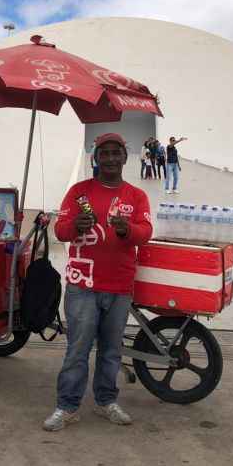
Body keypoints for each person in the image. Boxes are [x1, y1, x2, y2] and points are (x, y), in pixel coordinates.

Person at [44, 133, 153, 432]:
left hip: (119, 285)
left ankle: (106, 402)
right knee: (77, 349)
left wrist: (127, 230)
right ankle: (67, 407)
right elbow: (61, 230)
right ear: (95, 158)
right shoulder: (79, 193)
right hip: (83, 284)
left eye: (116, 153)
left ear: (124, 157)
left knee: (111, 350)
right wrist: (74, 225)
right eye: (103, 153)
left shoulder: (136, 196)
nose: (110, 158)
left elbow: (145, 232)